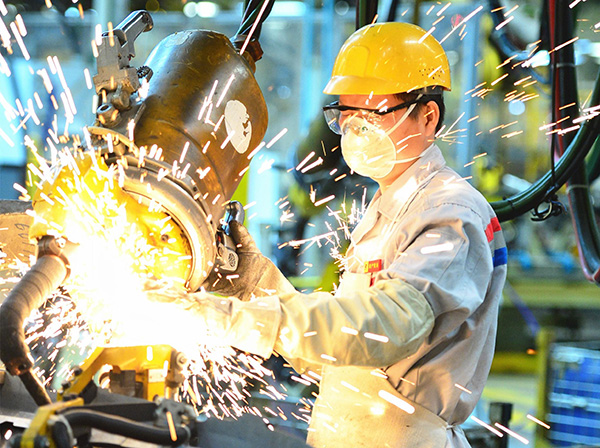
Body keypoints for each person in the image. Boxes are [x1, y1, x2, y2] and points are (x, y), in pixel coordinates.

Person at [151, 21, 507, 448]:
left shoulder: (451, 213)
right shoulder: (390, 206)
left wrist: (223, 318)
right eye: (346, 114)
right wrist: (253, 282)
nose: (354, 130)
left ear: (428, 116)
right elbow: (342, 349)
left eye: (371, 113)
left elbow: (385, 329)